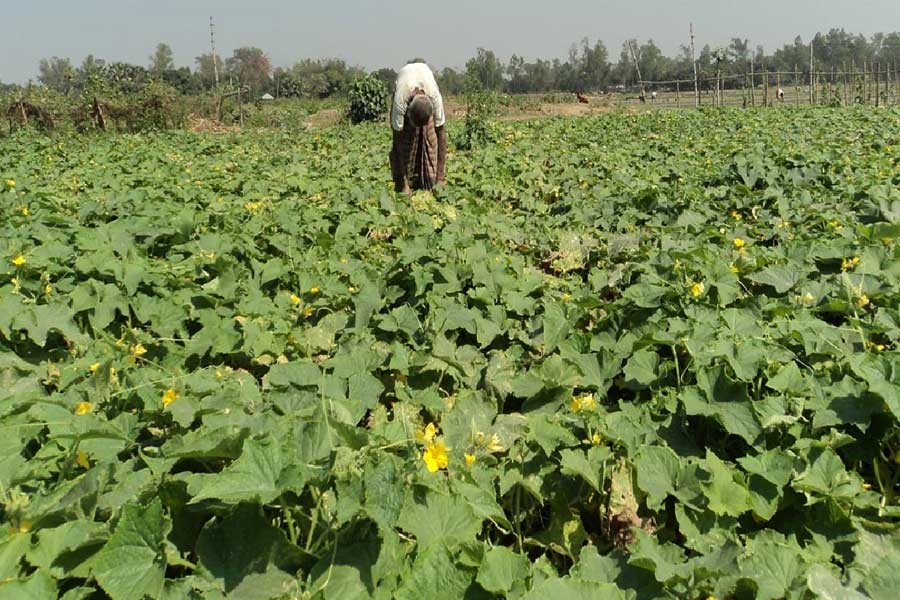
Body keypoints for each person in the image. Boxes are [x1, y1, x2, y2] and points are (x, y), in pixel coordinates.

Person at [389, 62, 447, 194]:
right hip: (406, 86)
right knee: (406, 142)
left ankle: (429, 181)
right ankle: (404, 183)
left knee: (430, 140)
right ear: (408, 113)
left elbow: (441, 134)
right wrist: (404, 184)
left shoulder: (434, 97)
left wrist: (440, 177)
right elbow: (397, 140)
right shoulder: (401, 100)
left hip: (424, 83)